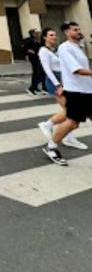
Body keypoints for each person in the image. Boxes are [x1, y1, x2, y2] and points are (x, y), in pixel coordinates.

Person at [43, 21, 92, 166]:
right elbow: (76, 70)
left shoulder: (77, 47)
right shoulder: (65, 48)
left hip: (87, 91)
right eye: (75, 30)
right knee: (72, 122)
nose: (78, 32)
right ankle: (50, 147)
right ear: (66, 32)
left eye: (78, 29)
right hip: (76, 92)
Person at [23, 29, 45, 96]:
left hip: (40, 57)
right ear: (33, 34)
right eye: (37, 33)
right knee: (37, 72)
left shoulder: (40, 40)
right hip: (34, 58)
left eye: (39, 33)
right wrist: (29, 51)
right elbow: (24, 48)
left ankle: (36, 87)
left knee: (41, 73)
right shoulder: (29, 40)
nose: (39, 34)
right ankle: (32, 88)